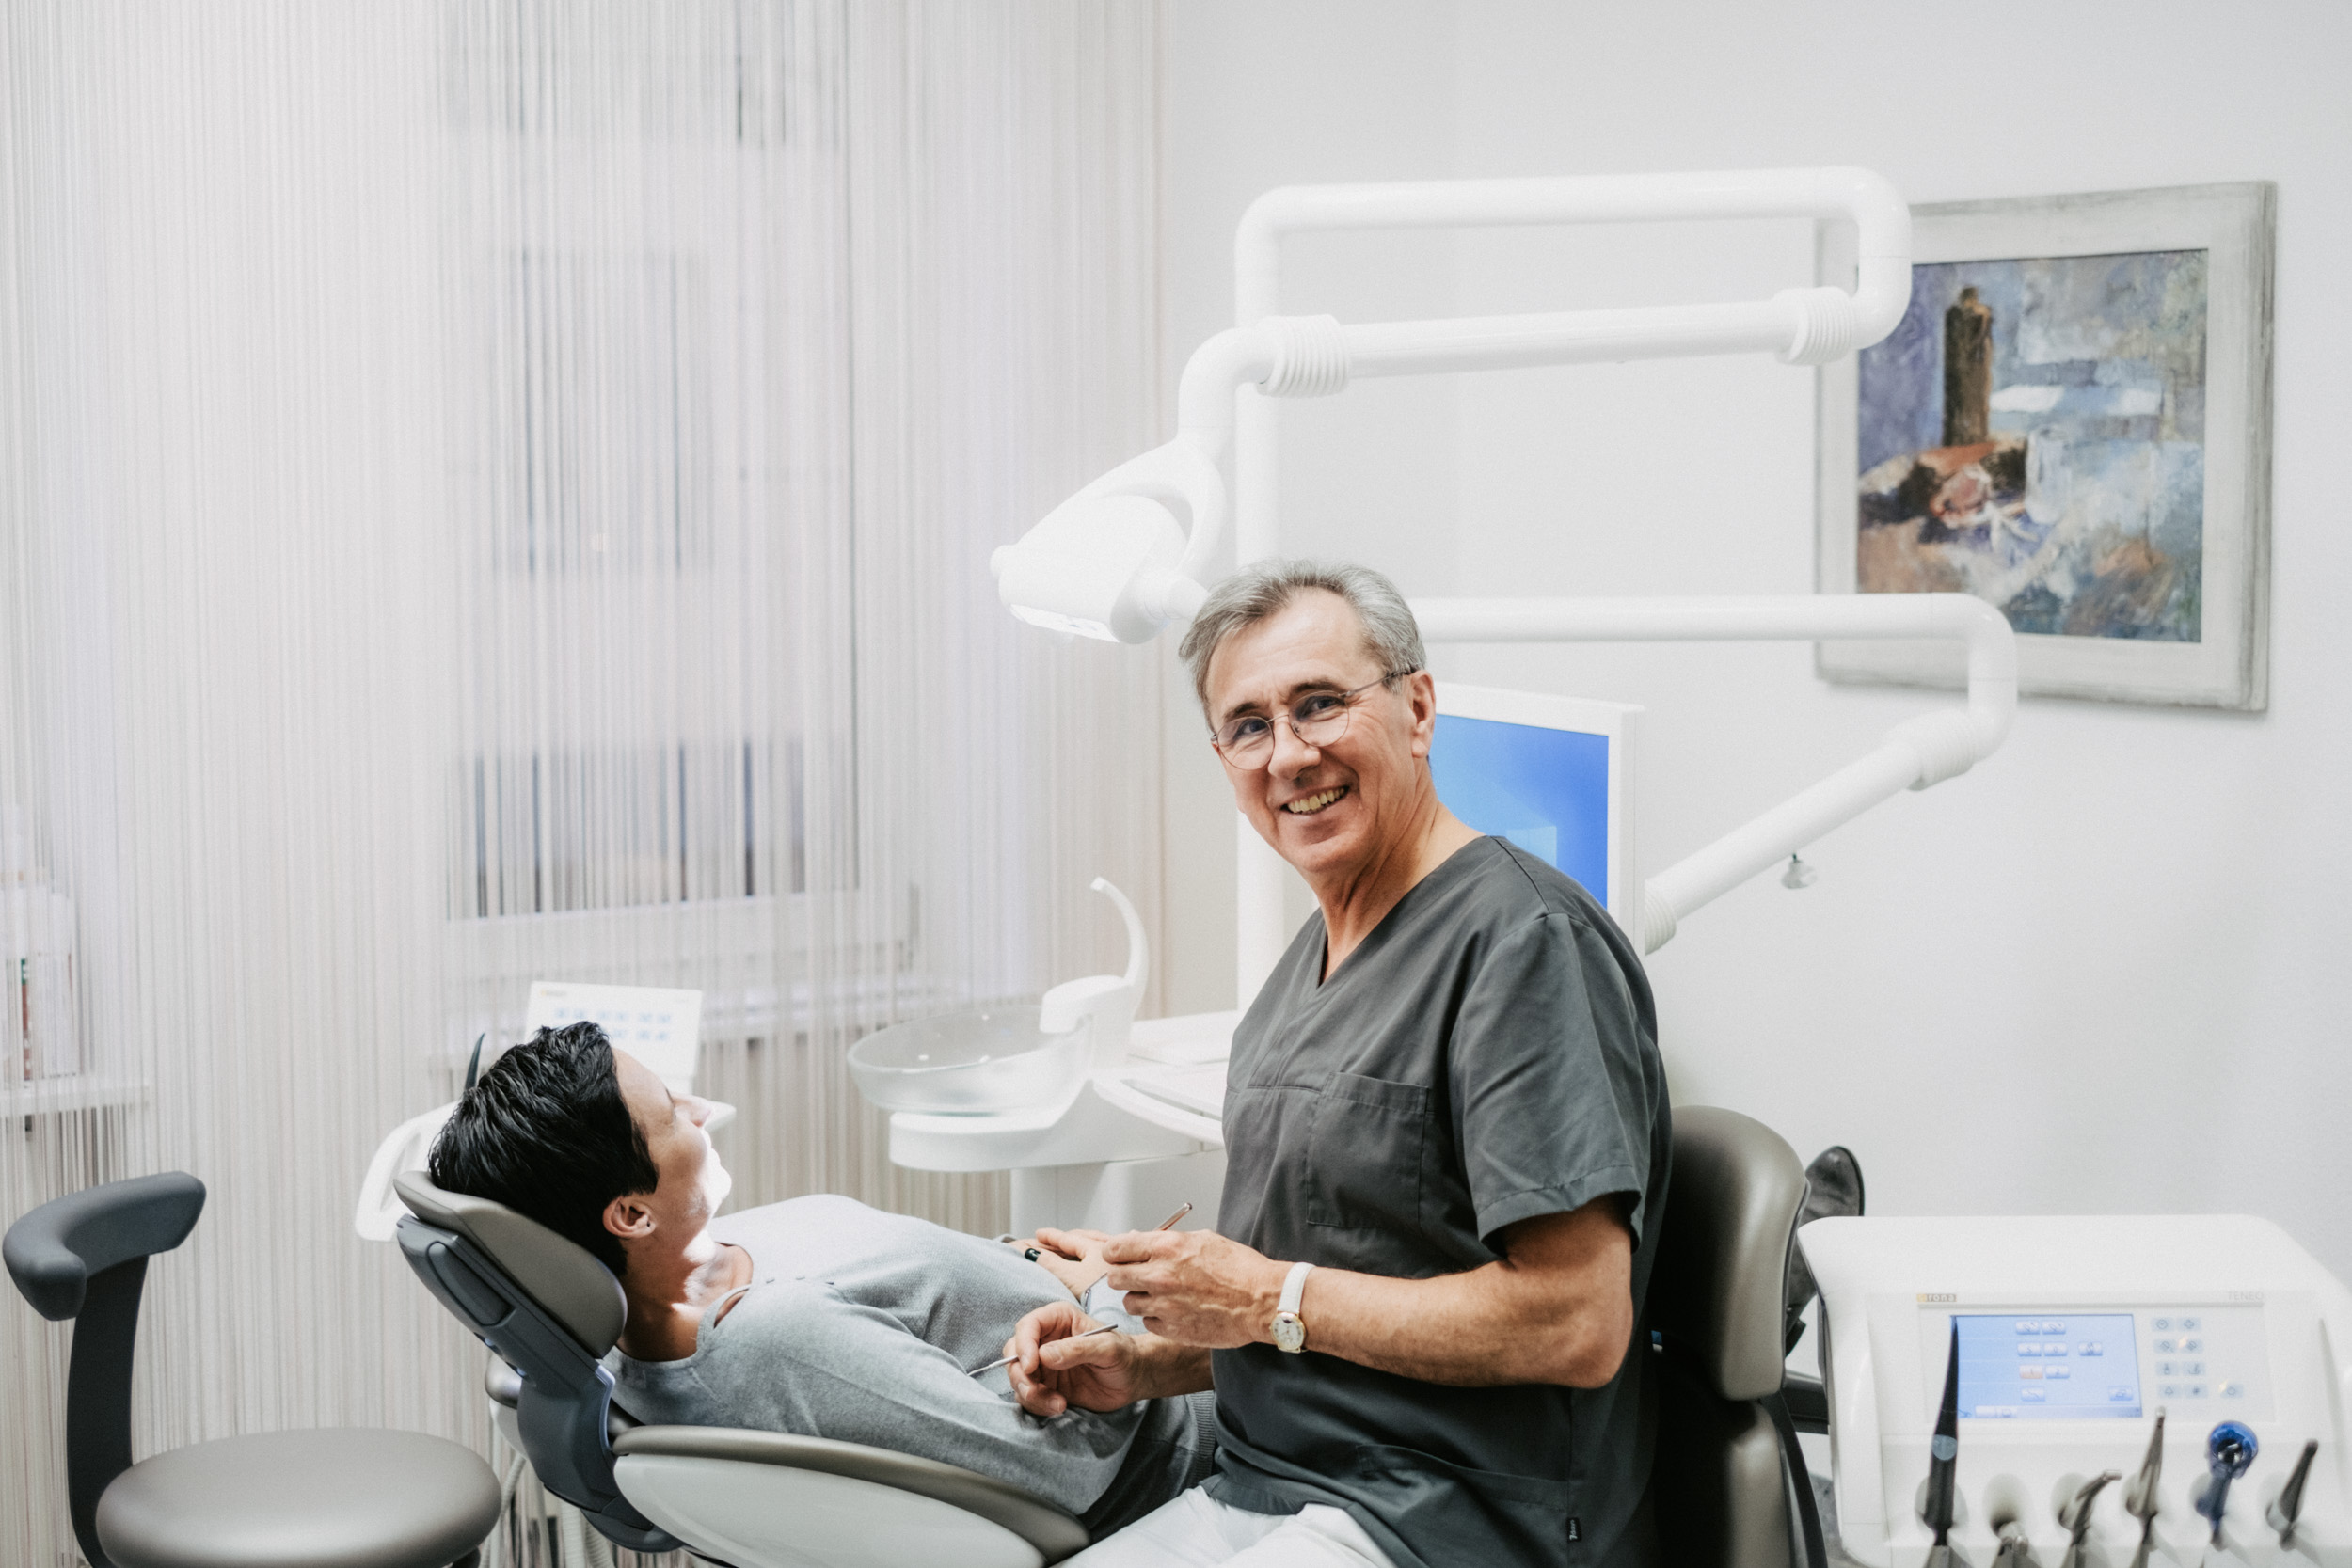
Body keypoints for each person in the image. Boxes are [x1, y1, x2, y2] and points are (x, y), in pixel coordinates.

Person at [1004, 560, 1672, 1568]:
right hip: (1268, 1482)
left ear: (1416, 706)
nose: (1288, 753)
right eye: (1248, 725)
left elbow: (1576, 1320)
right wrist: (1145, 1358)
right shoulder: (1302, 969)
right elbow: (1325, 1302)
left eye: (1319, 704)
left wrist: (1260, 1292)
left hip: (1449, 1518)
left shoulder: (1522, 943)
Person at [427, 1022, 1216, 1537]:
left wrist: (1038, 1262)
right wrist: (1112, 1305)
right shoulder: (776, 1342)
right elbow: (1059, 1478)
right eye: (671, 1109)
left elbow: (919, 1298)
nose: (701, 1108)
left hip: (1102, 1313)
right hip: (1181, 1435)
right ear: (631, 1214)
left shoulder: (700, 1262)